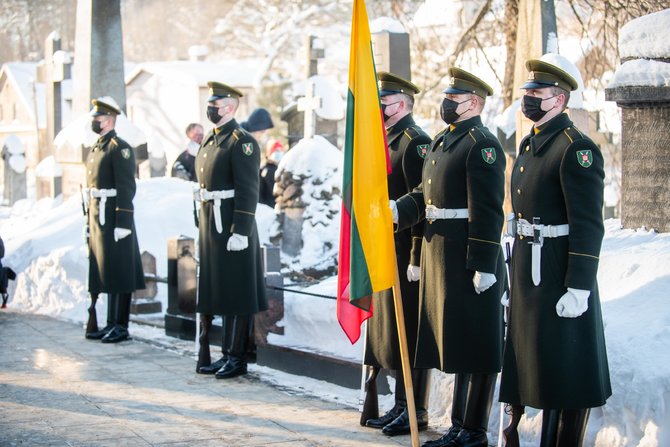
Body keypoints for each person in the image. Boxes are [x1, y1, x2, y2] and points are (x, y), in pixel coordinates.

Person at [498, 59, 611, 446]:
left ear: (559, 99)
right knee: (536, 365)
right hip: (530, 268)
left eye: (536, 94)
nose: (528, 100)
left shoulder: (574, 149)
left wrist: (579, 287)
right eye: (526, 94)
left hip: (559, 271)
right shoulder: (533, 143)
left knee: (564, 369)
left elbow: (587, 224)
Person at [393, 68, 506, 447]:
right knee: (458, 341)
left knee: (474, 343)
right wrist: (397, 211)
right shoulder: (445, 140)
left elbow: (488, 210)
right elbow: (424, 194)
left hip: (465, 255)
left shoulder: (481, 144)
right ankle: (459, 426)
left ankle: (473, 430)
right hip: (439, 251)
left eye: (453, 99)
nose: (446, 104)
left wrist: (484, 264)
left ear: (473, 103)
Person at [362, 72, 432, 436]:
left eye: (384, 101)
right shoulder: (385, 140)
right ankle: (400, 404)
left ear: (402, 103)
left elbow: (422, 202)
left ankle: (415, 408)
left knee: (411, 330)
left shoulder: (415, 141)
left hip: (406, 251)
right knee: (392, 327)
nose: (379, 107)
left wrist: (416, 258)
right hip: (386, 246)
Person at [194, 82, 268, 379]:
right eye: (210, 102)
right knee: (220, 290)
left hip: (233, 228)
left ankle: (236, 356)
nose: (211, 107)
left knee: (237, 293)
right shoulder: (211, 140)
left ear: (231, 107)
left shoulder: (241, 141)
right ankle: (224, 353)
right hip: (213, 225)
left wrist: (241, 230)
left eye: (216, 103)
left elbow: (249, 189)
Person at [84, 98, 145, 344]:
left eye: (97, 119)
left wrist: (122, 221)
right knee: (106, 271)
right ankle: (110, 323)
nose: (94, 123)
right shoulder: (99, 146)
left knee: (119, 271)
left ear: (108, 120)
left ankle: (121, 325)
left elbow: (126, 187)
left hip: (114, 216)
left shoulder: (119, 148)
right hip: (100, 214)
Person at [258, 139, 285, 207]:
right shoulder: (263, 171)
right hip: (268, 208)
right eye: (276, 151)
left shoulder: (282, 170)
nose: (279, 153)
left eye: (280, 151)